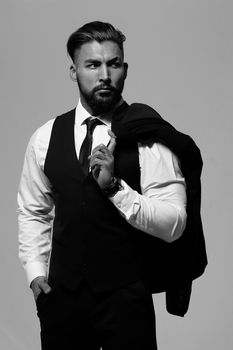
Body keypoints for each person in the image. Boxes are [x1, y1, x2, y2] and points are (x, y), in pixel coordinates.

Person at [17, 21, 207, 350]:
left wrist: (115, 188)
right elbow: (33, 211)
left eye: (113, 63)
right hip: (62, 301)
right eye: (93, 64)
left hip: (126, 302)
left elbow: (174, 224)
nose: (105, 74)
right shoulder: (45, 137)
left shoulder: (149, 137)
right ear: (74, 72)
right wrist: (36, 275)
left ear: (125, 69)